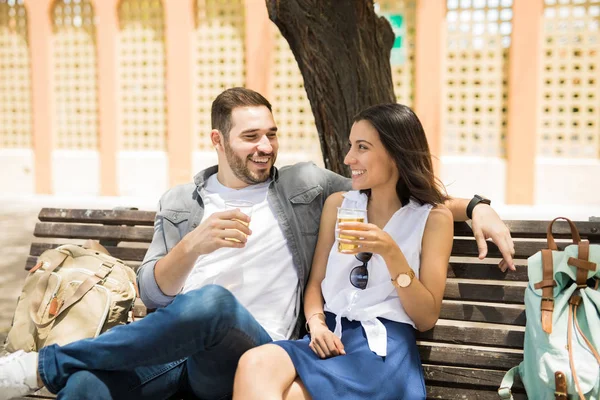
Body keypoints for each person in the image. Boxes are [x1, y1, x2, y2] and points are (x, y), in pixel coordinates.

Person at [0, 88, 514, 400]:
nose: (266, 146)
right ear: (218, 141)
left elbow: (398, 189)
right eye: (250, 137)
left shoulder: (306, 186)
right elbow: (151, 295)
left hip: (247, 347)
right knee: (86, 390)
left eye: (271, 134)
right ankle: (59, 372)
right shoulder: (181, 201)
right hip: (170, 345)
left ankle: (44, 364)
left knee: (214, 305)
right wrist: (193, 246)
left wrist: (475, 205)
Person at [233, 103, 452, 400]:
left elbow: (426, 317)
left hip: (381, 350)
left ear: (396, 152)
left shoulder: (433, 219)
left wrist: (391, 253)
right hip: (328, 335)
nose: (349, 158)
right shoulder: (339, 205)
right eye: (351, 146)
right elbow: (315, 283)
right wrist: (316, 323)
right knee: (253, 362)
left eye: (362, 147)